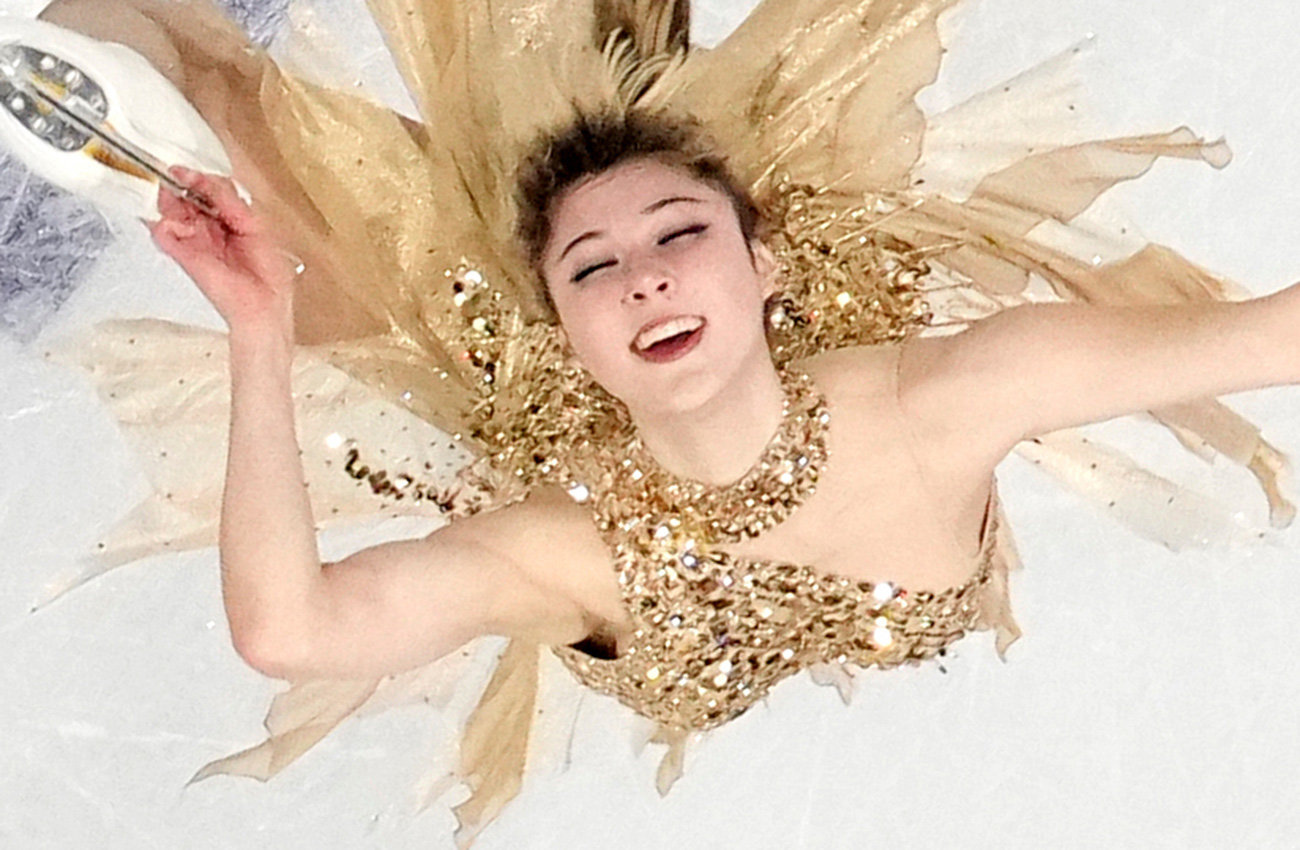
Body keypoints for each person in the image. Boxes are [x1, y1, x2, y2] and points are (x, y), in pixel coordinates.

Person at [29, 0, 1300, 843]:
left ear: (764, 265)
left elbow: (1271, 337)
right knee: (296, 191)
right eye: (593, 270)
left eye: (680, 236)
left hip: (658, 401)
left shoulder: (953, 397)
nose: (642, 279)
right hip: (523, 403)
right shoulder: (563, 546)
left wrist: (268, 320)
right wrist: (256, 328)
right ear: (567, 329)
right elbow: (292, 630)